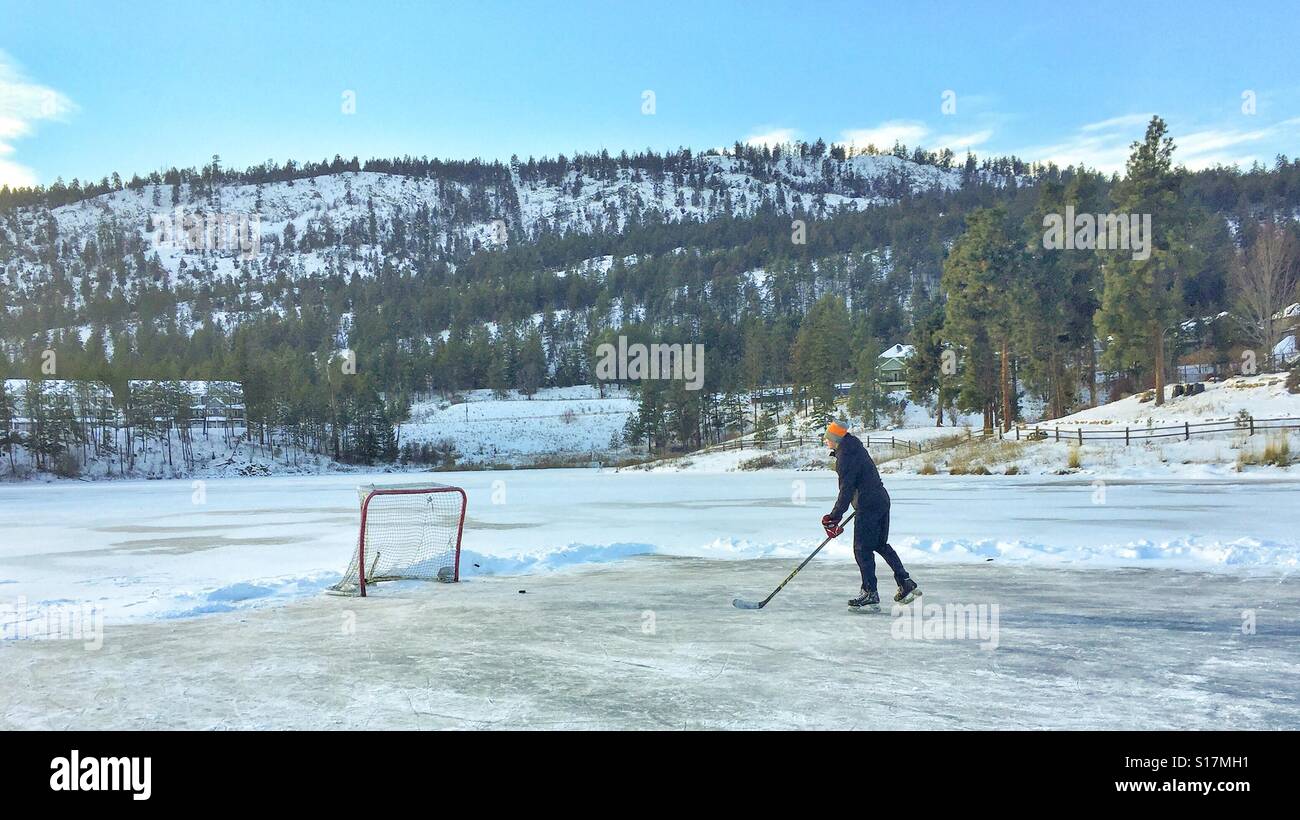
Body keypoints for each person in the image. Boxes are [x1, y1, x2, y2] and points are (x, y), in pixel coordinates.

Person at [820, 418, 920, 609]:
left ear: (836, 438)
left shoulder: (845, 456)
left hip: (868, 505)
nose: (826, 441)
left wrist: (834, 518)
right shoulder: (854, 447)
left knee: (861, 549)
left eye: (828, 437)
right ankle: (905, 582)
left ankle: (869, 592)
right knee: (879, 544)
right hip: (881, 500)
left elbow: (846, 489)